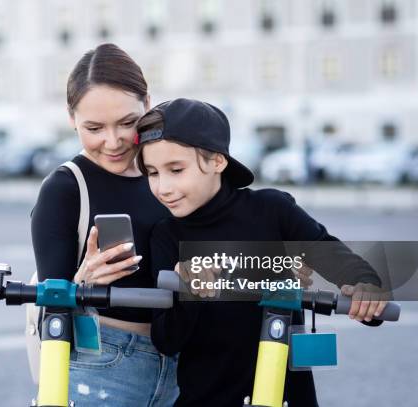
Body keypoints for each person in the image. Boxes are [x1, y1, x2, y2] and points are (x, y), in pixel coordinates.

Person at [135, 98, 388, 406]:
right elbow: (166, 340)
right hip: (207, 399)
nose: (163, 187)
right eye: (152, 173)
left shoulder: (273, 211)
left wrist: (365, 285)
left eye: (176, 169)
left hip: (287, 397)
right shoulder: (166, 235)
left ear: (217, 161)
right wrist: (189, 293)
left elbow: (335, 258)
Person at [31, 43, 179, 406]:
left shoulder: (169, 172)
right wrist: (84, 282)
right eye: (94, 127)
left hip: (184, 367)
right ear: (71, 118)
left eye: (127, 123)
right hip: (101, 364)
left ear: (148, 104)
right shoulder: (65, 188)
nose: (112, 142)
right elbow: (51, 308)